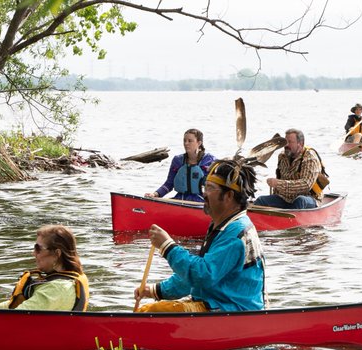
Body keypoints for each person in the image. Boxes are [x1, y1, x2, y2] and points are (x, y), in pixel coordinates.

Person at [135, 158, 265, 312]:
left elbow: (203, 276)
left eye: (210, 188)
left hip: (232, 311)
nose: (204, 194)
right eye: (205, 187)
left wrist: (167, 247)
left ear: (229, 196)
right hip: (221, 305)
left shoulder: (235, 233)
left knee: (151, 312)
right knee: (149, 309)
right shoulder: (226, 225)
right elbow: (196, 277)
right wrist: (157, 290)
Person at [0, 225, 90, 310]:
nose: (33, 253)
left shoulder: (56, 288)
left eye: (38, 249)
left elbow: (16, 316)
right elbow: (12, 306)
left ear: (56, 254)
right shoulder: (62, 281)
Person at [253, 129, 327, 210]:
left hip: (309, 198)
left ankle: (292, 220)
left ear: (300, 144)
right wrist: (274, 187)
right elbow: (280, 178)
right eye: (285, 141)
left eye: (290, 142)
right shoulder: (282, 156)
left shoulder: (310, 158)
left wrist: (278, 184)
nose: (286, 145)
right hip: (286, 199)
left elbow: (306, 185)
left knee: (300, 201)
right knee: (261, 200)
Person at [146, 128, 214, 202]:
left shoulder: (209, 160)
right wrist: (155, 194)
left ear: (199, 143)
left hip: (201, 202)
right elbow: (169, 184)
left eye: (190, 141)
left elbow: (217, 187)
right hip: (179, 200)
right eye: (184, 140)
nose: (186, 143)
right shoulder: (177, 160)